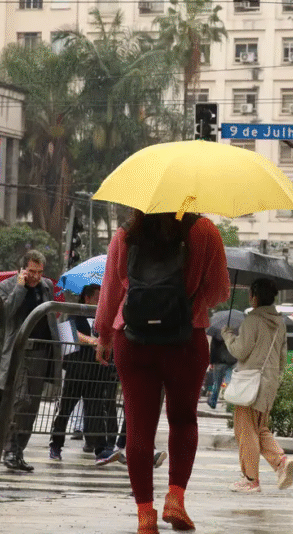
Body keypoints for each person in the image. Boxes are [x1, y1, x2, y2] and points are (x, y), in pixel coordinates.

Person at [95, 210, 229, 534]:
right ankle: (175, 500)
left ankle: (145, 515)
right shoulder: (204, 231)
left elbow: (110, 290)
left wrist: (104, 334)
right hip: (186, 337)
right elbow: (218, 293)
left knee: (138, 425)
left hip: (133, 338)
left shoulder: (126, 232)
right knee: (183, 420)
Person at [221, 278, 293, 493]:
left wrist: (228, 336)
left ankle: (251, 479)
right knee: (259, 428)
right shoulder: (280, 323)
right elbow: (282, 358)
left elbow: (240, 351)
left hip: (250, 383)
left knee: (246, 430)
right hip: (269, 382)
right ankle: (281, 462)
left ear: (255, 296)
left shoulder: (252, 320)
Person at [0, 249, 59, 473]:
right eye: (32, 271)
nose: (36, 276)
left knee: (32, 407)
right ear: (22, 269)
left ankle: (19, 451)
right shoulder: (6, 286)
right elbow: (4, 313)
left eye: (39, 272)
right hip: (19, 352)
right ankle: (9, 449)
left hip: (41, 353)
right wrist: (20, 288)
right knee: (20, 400)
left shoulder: (46, 287)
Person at [49, 284, 118, 465]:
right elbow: (69, 331)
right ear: (87, 298)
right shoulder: (76, 312)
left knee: (96, 410)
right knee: (66, 408)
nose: (100, 300)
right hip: (77, 368)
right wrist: (91, 341)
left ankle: (100, 448)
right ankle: (56, 444)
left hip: (97, 370)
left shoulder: (104, 314)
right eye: (97, 297)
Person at [206, 333, 236, 409]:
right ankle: (230, 404)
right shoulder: (233, 332)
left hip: (219, 361)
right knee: (230, 382)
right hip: (231, 361)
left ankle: (213, 402)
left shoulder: (217, 333)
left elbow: (213, 348)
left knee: (217, 383)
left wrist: (211, 362)